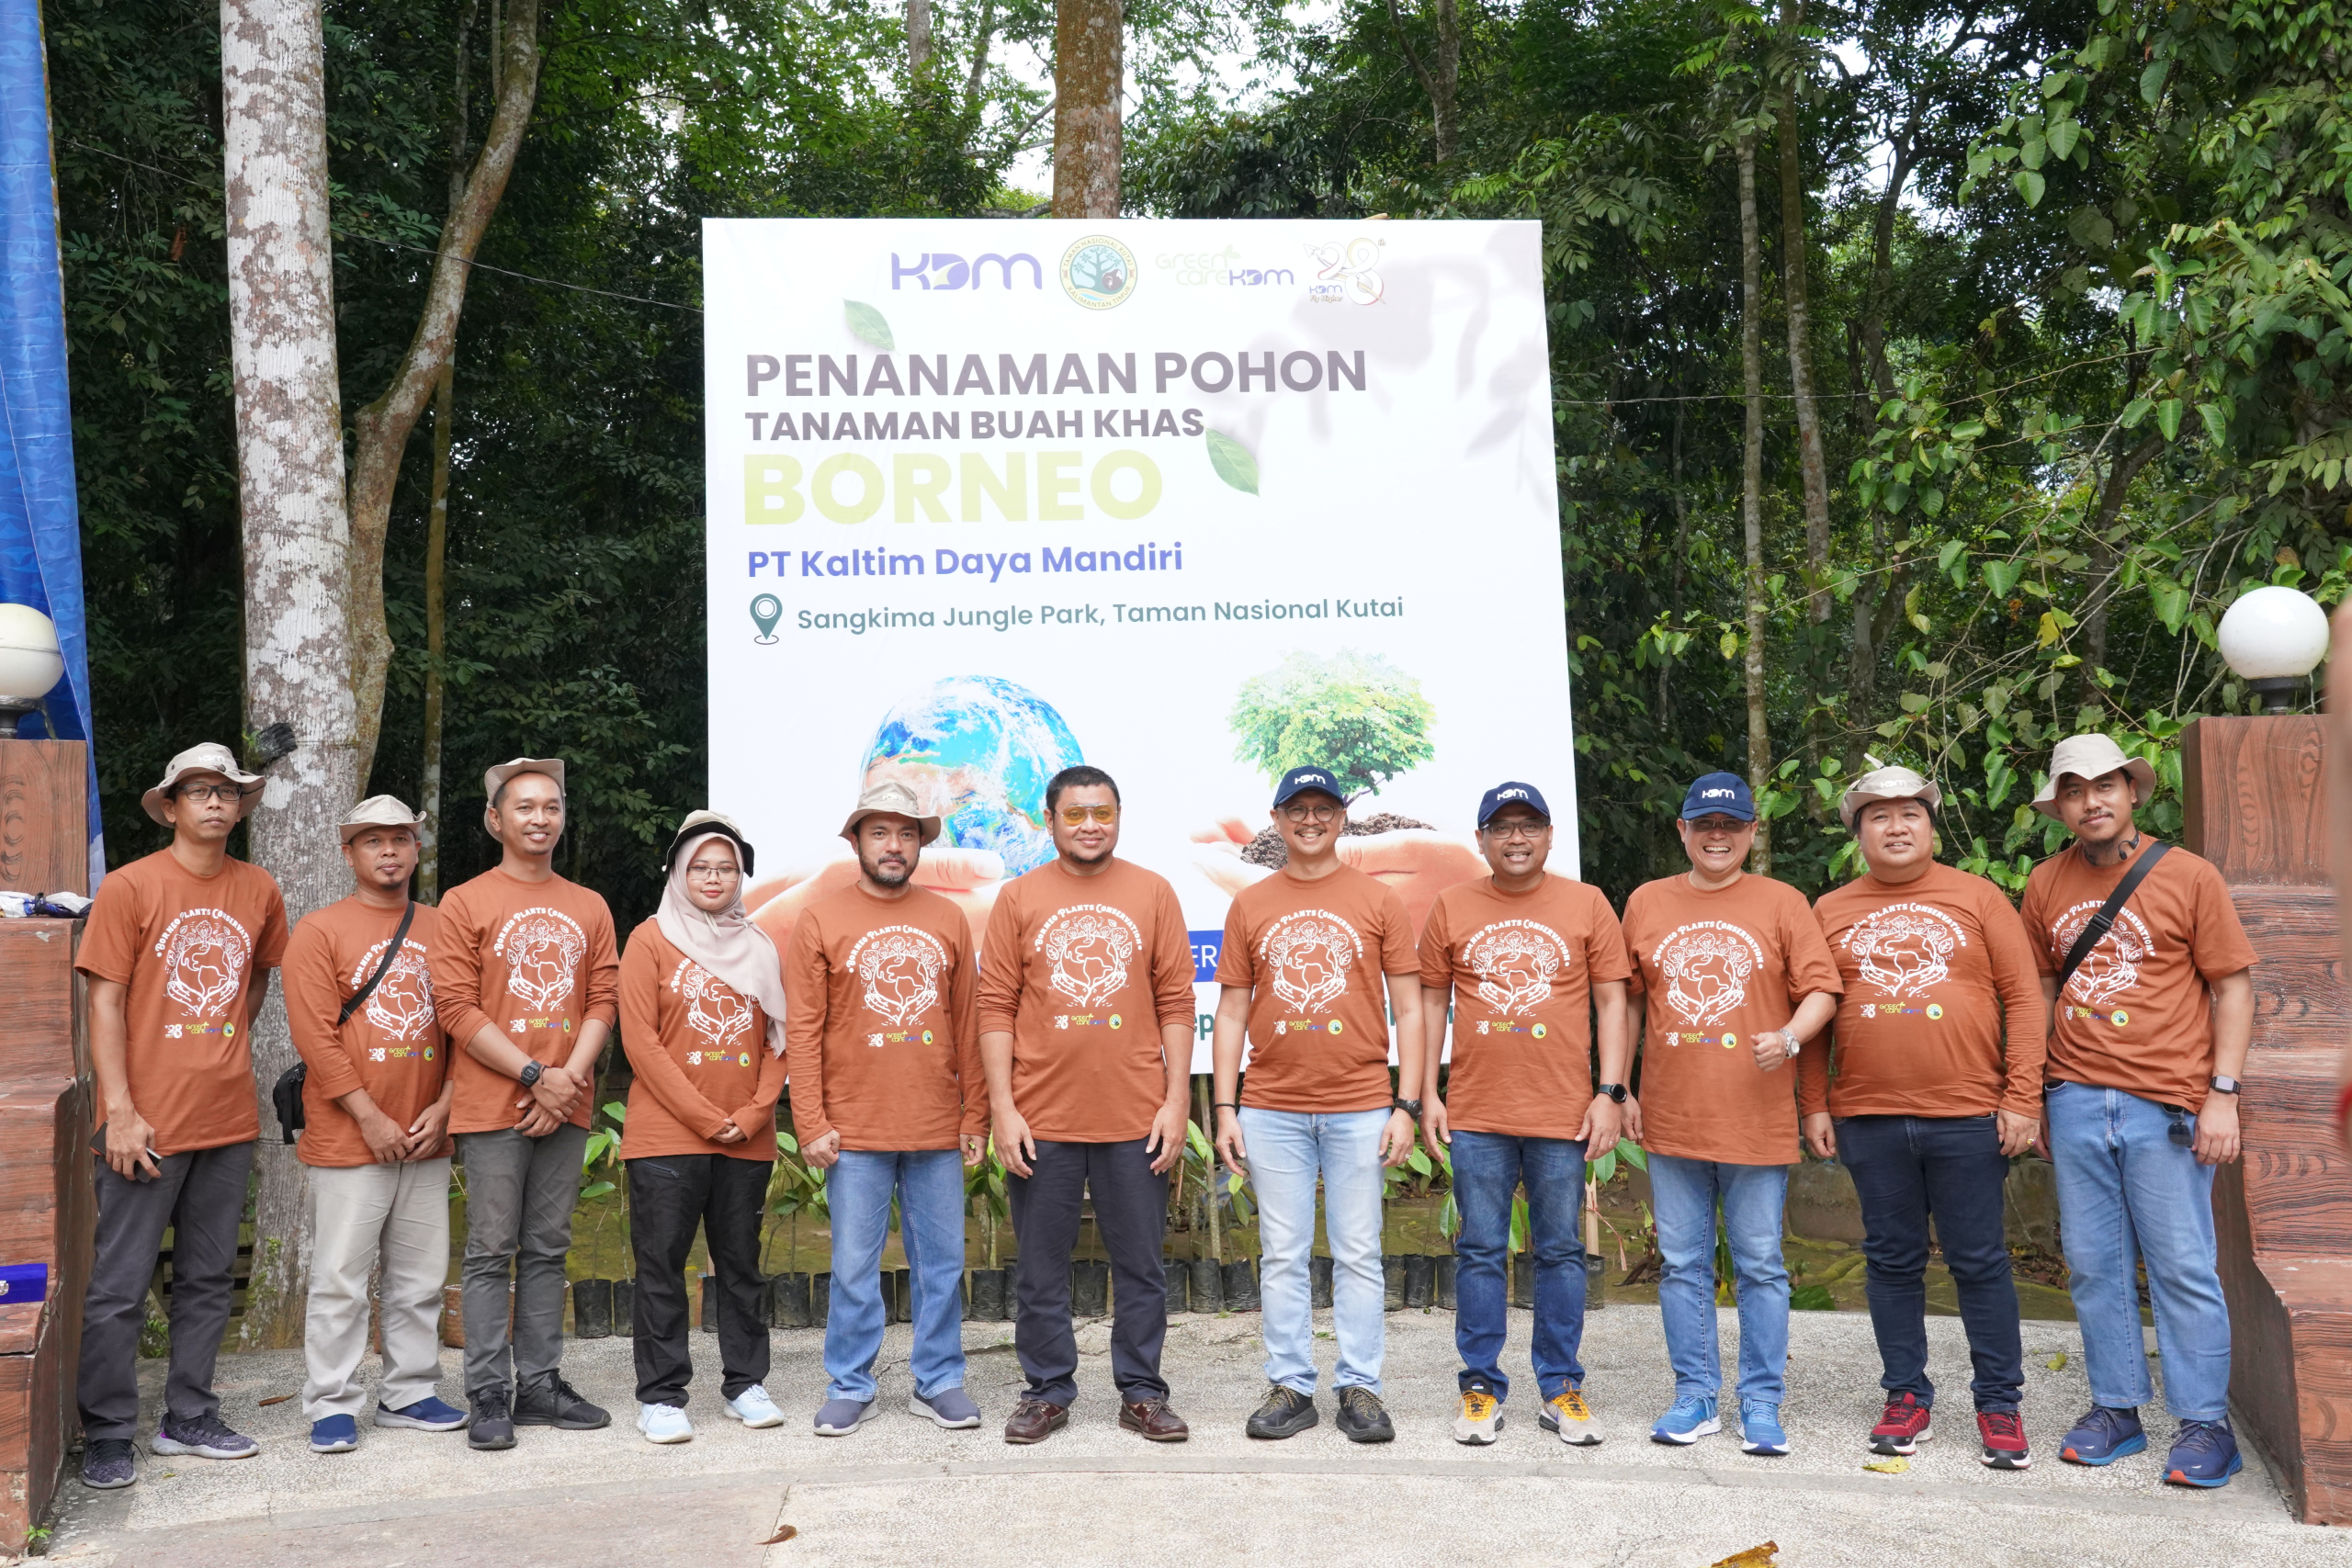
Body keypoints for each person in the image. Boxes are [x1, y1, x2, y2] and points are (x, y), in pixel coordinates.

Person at [2021, 734, 2256, 1487]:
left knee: (2184, 1265)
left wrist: (2223, 1093)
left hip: (2168, 1103)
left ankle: (2204, 1423)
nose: (2091, 800)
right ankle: (2116, 1409)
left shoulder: (2188, 875)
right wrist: (2033, 1092)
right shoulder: (2043, 883)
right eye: (2074, 789)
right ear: (2058, 805)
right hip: (2076, 1096)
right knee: (2093, 1266)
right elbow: (2043, 991)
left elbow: (2233, 987)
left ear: (2131, 791)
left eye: (2105, 785)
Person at [1802, 767, 2048, 1471]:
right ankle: (1906, 1393)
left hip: (1968, 1113)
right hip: (1869, 1116)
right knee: (1891, 1258)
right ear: (1859, 835)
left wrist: (2022, 1096)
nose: (1897, 825)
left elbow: (2024, 1000)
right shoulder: (1831, 909)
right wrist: (1814, 1102)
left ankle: (1999, 1401)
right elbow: (1813, 1013)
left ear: (1931, 826)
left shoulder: (1977, 897)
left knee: (1979, 1259)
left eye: (1911, 812)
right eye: (1878, 816)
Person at [74, 743, 288, 1489]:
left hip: (227, 1119)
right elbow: (102, 1000)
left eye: (227, 790)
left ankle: (189, 1415)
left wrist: (222, 1041)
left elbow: (256, 978)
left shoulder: (258, 888)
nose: (215, 802)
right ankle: (105, 1431)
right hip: (144, 1123)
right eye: (198, 790)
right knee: (119, 1284)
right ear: (171, 806)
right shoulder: (131, 888)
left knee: (206, 1278)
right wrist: (121, 1109)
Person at [1619, 772, 1841, 1456]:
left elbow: (1823, 989)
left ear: (1751, 833)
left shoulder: (1782, 901)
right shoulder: (1648, 901)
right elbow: (1627, 1001)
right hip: (1673, 1117)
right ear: (1683, 831)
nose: (1718, 836)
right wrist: (1619, 1086)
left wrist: (1790, 1037)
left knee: (1761, 1265)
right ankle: (1695, 1396)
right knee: (1683, 1264)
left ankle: (1761, 1401)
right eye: (1705, 825)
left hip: (1756, 1118)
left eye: (1733, 826)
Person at [977, 764, 1196, 1445]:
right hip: (1042, 1120)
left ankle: (1141, 1390)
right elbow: (995, 1008)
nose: (1090, 824)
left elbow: (1177, 1002)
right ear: (1051, 821)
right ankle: (1047, 1390)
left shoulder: (1153, 892)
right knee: (1041, 1268)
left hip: (1136, 1115)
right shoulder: (1019, 898)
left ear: (1119, 816)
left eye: (1102, 811)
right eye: (1076, 814)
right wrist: (1003, 1108)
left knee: (1141, 1266)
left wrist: (1176, 1098)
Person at [1210, 765, 1423, 1444]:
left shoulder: (1378, 900)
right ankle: (1291, 1385)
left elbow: (1411, 1008)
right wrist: (1224, 1107)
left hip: (1361, 1102)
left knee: (1360, 1251)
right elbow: (1234, 1009)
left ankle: (1360, 1386)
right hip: (1271, 1105)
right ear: (1277, 820)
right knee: (1282, 1251)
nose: (1310, 819)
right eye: (1296, 808)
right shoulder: (1252, 903)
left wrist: (1408, 1102)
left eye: (1322, 808)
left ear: (1341, 818)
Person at [1418, 781, 1632, 1447]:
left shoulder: (1586, 903)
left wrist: (1612, 1091)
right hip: (1477, 1112)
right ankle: (1480, 1387)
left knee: (1562, 1250)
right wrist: (1424, 1092)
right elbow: (1427, 1005)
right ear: (1481, 839)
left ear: (1548, 835)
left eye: (1529, 825)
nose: (1516, 837)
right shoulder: (1452, 905)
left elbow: (1612, 1002)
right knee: (1480, 1249)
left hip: (1563, 1113)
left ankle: (1561, 1386)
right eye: (1502, 826)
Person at [432, 757, 621, 1450]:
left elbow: (604, 998)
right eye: (525, 807)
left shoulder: (589, 904)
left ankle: (539, 1384)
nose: (540, 817)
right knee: (489, 1250)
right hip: (492, 1107)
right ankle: (487, 1391)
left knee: (547, 1248)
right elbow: (455, 1005)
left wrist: (566, 1079)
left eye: (552, 806)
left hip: (564, 1099)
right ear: (496, 819)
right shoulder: (464, 901)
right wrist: (535, 1073)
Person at [786, 783, 986, 1437]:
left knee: (942, 1263)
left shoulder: (948, 918)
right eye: (880, 832)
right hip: (855, 1128)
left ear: (921, 842)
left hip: (933, 1124)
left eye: (906, 833)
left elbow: (968, 1022)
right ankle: (850, 1382)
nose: (893, 845)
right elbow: (804, 1029)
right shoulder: (820, 918)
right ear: (856, 840)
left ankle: (940, 1379)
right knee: (852, 1265)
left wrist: (974, 1113)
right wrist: (810, 1121)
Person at [285, 796, 466, 1455]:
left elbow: (468, 1027)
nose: (388, 850)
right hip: (349, 1137)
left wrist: (447, 1104)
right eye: (373, 841)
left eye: (399, 838)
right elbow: (315, 1035)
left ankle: (410, 1390)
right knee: (341, 1274)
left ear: (417, 847)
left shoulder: (445, 926)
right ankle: (332, 1400)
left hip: (426, 1131)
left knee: (419, 1275)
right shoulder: (319, 929)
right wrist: (369, 1115)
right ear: (349, 853)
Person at [617, 812, 791, 1444]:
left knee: (741, 1263)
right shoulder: (649, 940)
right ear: (677, 872)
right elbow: (639, 1040)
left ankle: (746, 1383)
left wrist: (752, 1113)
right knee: (661, 1264)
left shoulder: (763, 944)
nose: (714, 877)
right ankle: (661, 1395)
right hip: (666, 1135)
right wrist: (702, 1115)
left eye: (725, 867)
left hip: (747, 1137)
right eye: (700, 866)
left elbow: (781, 1040)